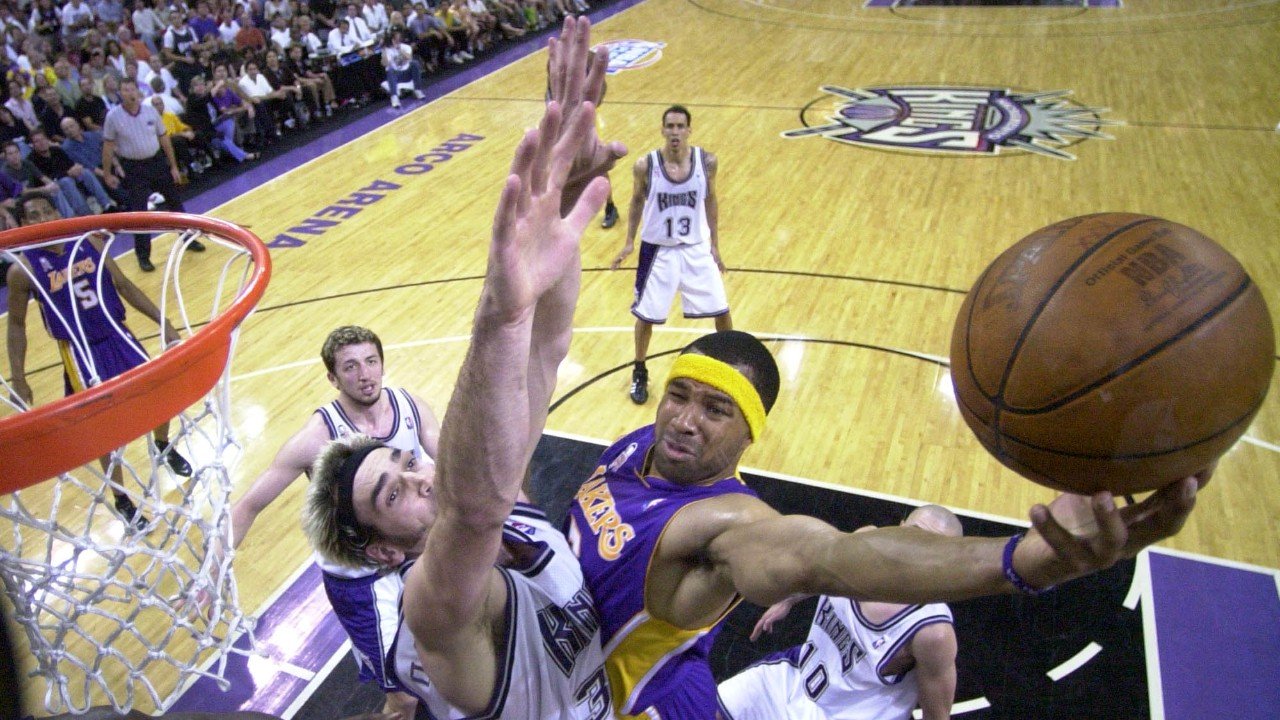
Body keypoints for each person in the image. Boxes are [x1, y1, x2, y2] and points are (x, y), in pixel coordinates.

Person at [565, 329, 1202, 718]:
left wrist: (1019, 560)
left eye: (715, 410)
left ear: (748, 433)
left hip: (627, 704)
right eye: (678, 395)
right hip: (564, 670)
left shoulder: (726, 524)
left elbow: (832, 558)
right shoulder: (637, 446)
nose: (684, 420)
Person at [302, 16, 624, 718]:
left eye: (404, 462)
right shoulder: (432, 608)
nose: (421, 474)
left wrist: (568, 185)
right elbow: (472, 512)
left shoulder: (512, 515)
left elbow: (547, 348)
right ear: (384, 552)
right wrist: (498, 318)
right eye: (393, 495)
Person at [228, 325, 441, 720]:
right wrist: (215, 566)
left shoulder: (410, 407)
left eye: (371, 361)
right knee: (405, 697)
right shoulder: (318, 435)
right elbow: (249, 505)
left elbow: (448, 463)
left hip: (409, 553)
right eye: (350, 367)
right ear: (333, 378)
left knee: (446, 655)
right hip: (362, 581)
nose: (365, 374)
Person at [5, 193, 193, 530]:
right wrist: (18, 377)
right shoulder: (23, 270)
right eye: (34, 215)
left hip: (118, 334)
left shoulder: (88, 241)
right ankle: (122, 497)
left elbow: (123, 285)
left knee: (159, 396)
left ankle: (162, 444)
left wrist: (163, 321)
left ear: (57, 211)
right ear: (22, 224)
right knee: (106, 429)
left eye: (48, 210)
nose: (44, 218)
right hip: (80, 352)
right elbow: (16, 325)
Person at [718, 505, 962, 720]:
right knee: (713, 710)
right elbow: (824, 574)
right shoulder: (864, 542)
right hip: (800, 677)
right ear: (899, 527)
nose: (917, 549)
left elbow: (937, 715)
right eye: (914, 534)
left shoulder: (932, 631)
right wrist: (790, 598)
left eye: (932, 546)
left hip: (848, 714)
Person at [610, 105, 731, 405]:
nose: (675, 132)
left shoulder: (707, 162)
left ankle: (728, 368)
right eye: (670, 126)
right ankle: (640, 370)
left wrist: (715, 244)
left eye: (680, 126)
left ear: (689, 130)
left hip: (695, 247)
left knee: (722, 309)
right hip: (658, 251)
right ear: (662, 130)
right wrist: (629, 242)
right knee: (646, 316)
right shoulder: (645, 166)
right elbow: (636, 201)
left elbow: (711, 200)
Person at [101, 77, 204, 272]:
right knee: (140, 213)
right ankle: (143, 256)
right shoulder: (113, 117)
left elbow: (164, 139)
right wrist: (107, 174)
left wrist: (173, 166)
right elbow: (107, 147)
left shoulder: (150, 111)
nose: (129, 93)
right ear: (120, 93)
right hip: (133, 167)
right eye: (125, 90)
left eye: (132, 89)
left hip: (156, 162)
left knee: (175, 202)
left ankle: (189, 239)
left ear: (138, 91)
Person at [27, 127, 115, 212]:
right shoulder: (31, 160)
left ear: (47, 140)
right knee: (66, 181)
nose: (41, 143)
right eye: (37, 141)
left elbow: (70, 165)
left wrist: (76, 168)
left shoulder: (56, 150)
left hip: (69, 177)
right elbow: (46, 179)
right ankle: (85, 213)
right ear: (32, 145)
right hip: (53, 187)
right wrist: (67, 173)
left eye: (43, 139)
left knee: (85, 172)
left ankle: (107, 205)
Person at [1, 140, 83, 217]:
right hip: (19, 199)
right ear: (5, 156)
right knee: (50, 192)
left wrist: (52, 184)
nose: (14, 156)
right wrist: (44, 189)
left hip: (35, 193)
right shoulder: (5, 172)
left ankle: (74, 216)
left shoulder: (26, 163)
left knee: (57, 188)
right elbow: (23, 192)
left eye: (16, 152)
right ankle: (69, 218)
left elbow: (42, 177)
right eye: (10, 154)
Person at [378, 30, 424, 109]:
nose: (396, 40)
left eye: (398, 38)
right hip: (396, 75)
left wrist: (399, 49)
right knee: (390, 70)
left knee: (415, 63)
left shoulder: (406, 47)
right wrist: (384, 50)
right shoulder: (388, 50)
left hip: (407, 73)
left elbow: (409, 58)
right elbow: (385, 64)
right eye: (395, 38)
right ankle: (394, 97)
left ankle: (418, 90)